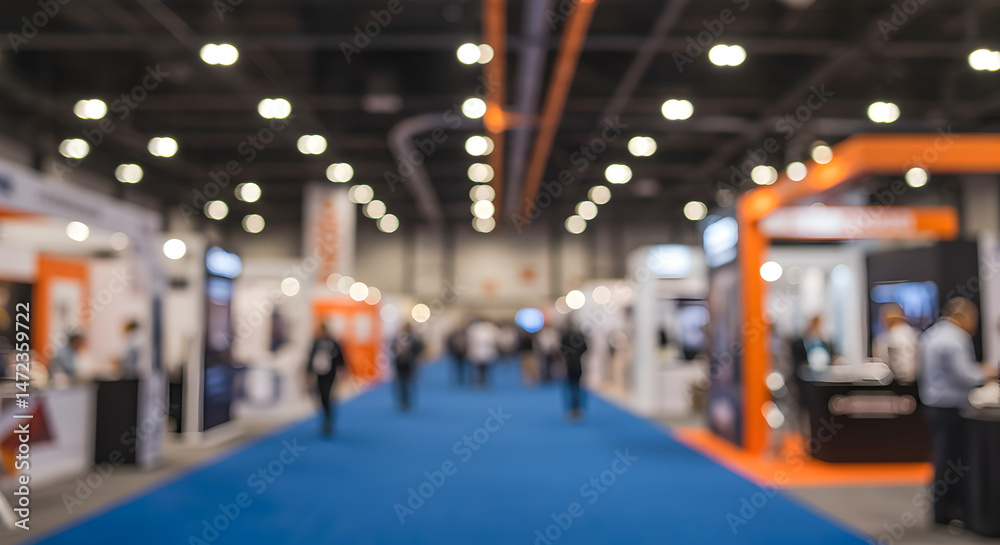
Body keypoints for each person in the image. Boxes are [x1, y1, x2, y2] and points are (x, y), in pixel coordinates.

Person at [919, 297, 987, 527]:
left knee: (942, 458)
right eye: (972, 320)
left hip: (933, 406)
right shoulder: (956, 339)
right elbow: (965, 376)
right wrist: (986, 373)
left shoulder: (932, 335)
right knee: (952, 460)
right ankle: (950, 511)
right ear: (962, 317)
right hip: (950, 407)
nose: (973, 326)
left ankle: (941, 511)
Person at [307, 322, 347, 436]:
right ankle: (324, 417)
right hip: (319, 373)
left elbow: (340, 358)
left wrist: (342, 371)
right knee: (321, 396)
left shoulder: (333, 343)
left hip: (330, 373)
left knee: (328, 395)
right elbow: (310, 358)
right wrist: (308, 374)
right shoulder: (316, 343)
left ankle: (328, 420)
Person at [873, 303, 919, 384]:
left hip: (901, 382)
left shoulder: (898, 335)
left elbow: (906, 368)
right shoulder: (912, 334)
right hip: (907, 381)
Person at [391, 323, 423, 411]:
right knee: (402, 383)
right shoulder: (397, 339)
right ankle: (403, 400)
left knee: (407, 383)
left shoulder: (413, 339)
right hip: (400, 364)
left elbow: (418, 349)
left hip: (409, 364)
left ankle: (407, 400)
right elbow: (392, 349)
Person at [561, 322, 588, 420]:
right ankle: (578, 408)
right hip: (578, 364)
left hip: (568, 365)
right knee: (578, 387)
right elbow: (586, 348)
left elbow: (561, 350)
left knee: (569, 388)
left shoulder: (565, 337)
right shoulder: (579, 337)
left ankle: (570, 409)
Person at [467, 319, 499, 388]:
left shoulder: (490, 330)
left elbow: (494, 341)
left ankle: (484, 381)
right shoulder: (474, 330)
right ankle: (478, 381)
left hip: (487, 353)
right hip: (478, 352)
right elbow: (471, 342)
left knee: (486, 368)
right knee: (478, 368)